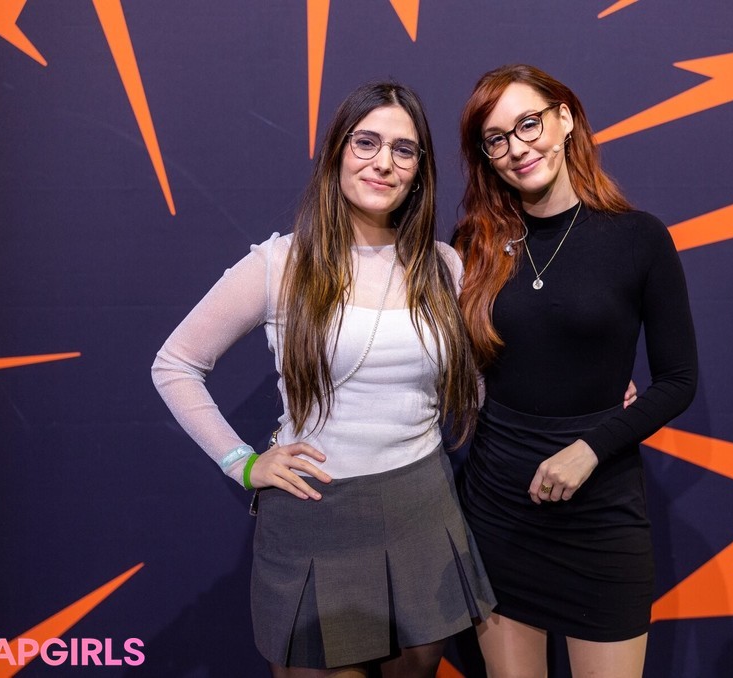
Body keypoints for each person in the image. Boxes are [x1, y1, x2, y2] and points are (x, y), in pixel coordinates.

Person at [152, 82, 495, 678]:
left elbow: (484, 385)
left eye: (404, 150)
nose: (383, 162)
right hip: (315, 514)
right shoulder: (280, 264)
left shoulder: (444, 265)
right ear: (337, 151)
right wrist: (242, 463)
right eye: (366, 142)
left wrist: (588, 395)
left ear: (419, 171)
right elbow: (175, 364)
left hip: (423, 506)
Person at [452, 64, 699, 677]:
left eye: (528, 124)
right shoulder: (472, 246)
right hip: (497, 509)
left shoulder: (638, 238)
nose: (517, 148)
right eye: (496, 139)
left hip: (601, 511)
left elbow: (678, 380)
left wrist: (590, 448)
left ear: (564, 119)